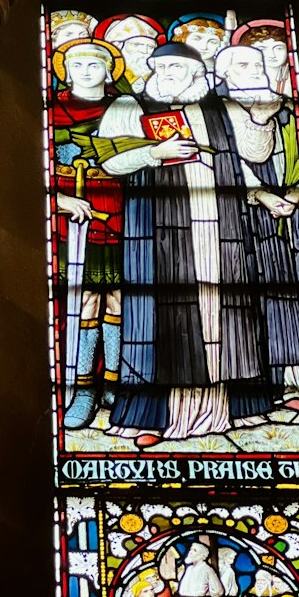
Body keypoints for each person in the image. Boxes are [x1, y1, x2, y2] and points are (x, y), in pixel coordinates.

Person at [96, 42, 274, 447]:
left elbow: (253, 155)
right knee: (166, 316)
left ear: (197, 70)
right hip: (160, 228)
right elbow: (110, 162)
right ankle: (156, 417)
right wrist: (155, 152)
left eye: (178, 65)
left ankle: (230, 407)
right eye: (161, 66)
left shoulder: (216, 109)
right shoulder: (130, 105)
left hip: (219, 223)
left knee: (226, 310)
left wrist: (261, 120)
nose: (169, 71)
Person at [215, 44, 299, 409]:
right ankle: (252, 390)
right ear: (225, 75)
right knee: (244, 301)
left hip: (285, 217)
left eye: (258, 63)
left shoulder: (286, 109)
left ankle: (285, 384)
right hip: (237, 215)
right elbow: (224, 157)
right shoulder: (216, 110)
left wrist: (293, 194)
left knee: (284, 299)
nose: (255, 70)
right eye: (243, 65)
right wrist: (260, 194)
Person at [50, 37, 125, 428]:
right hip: (73, 220)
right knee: (86, 302)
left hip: (120, 211)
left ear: (109, 71)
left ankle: (114, 379)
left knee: (119, 299)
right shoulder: (51, 112)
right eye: (76, 65)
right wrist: (61, 201)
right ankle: (83, 389)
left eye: (94, 64)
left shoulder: (123, 108)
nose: (85, 71)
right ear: (64, 71)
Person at [94, 14, 164, 92]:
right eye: (136, 44)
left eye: (151, 47)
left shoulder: (162, 78)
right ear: (119, 47)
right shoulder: (107, 78)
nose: (145, 51)